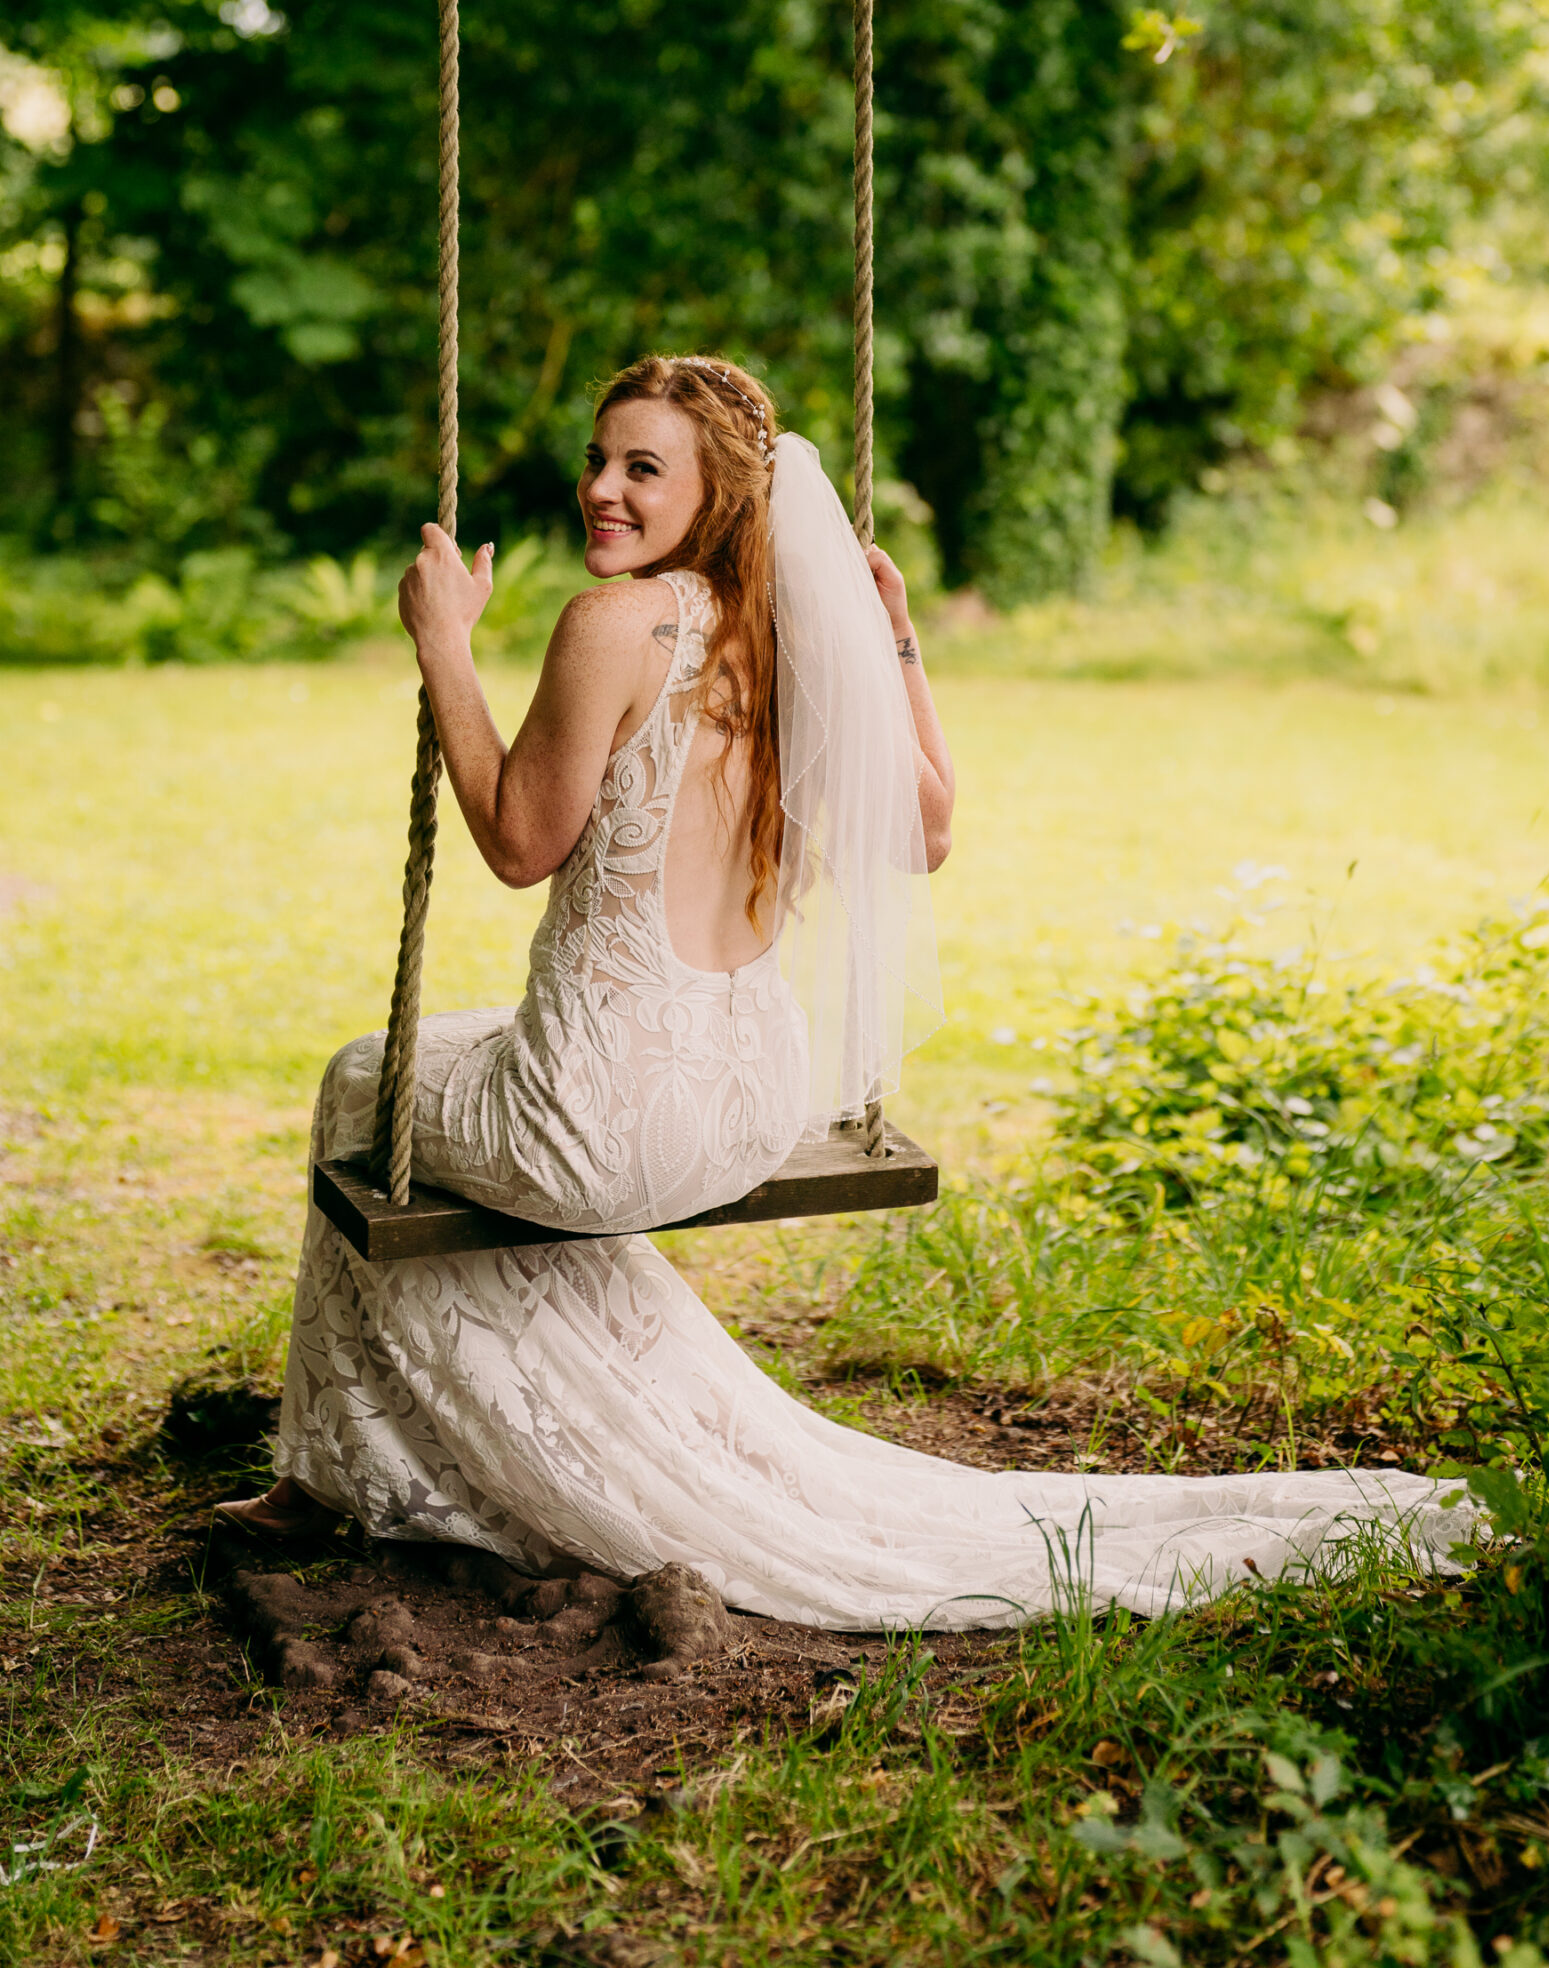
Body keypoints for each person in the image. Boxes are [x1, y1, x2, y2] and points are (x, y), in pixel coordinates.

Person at [222, 353, 1471, 1626]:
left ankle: (326, 1481)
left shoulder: (614, 625)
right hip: (751, 1102)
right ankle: (478, 1434)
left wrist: (445, 646)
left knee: (359, 1086)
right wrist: (897, 640)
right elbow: (926, 827)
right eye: (599, 459)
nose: (602, 487)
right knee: (438, 1062)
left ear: (714, 492)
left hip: (599, 1122)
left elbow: (516, 840)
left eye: (643, 467)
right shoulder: (793, 640)